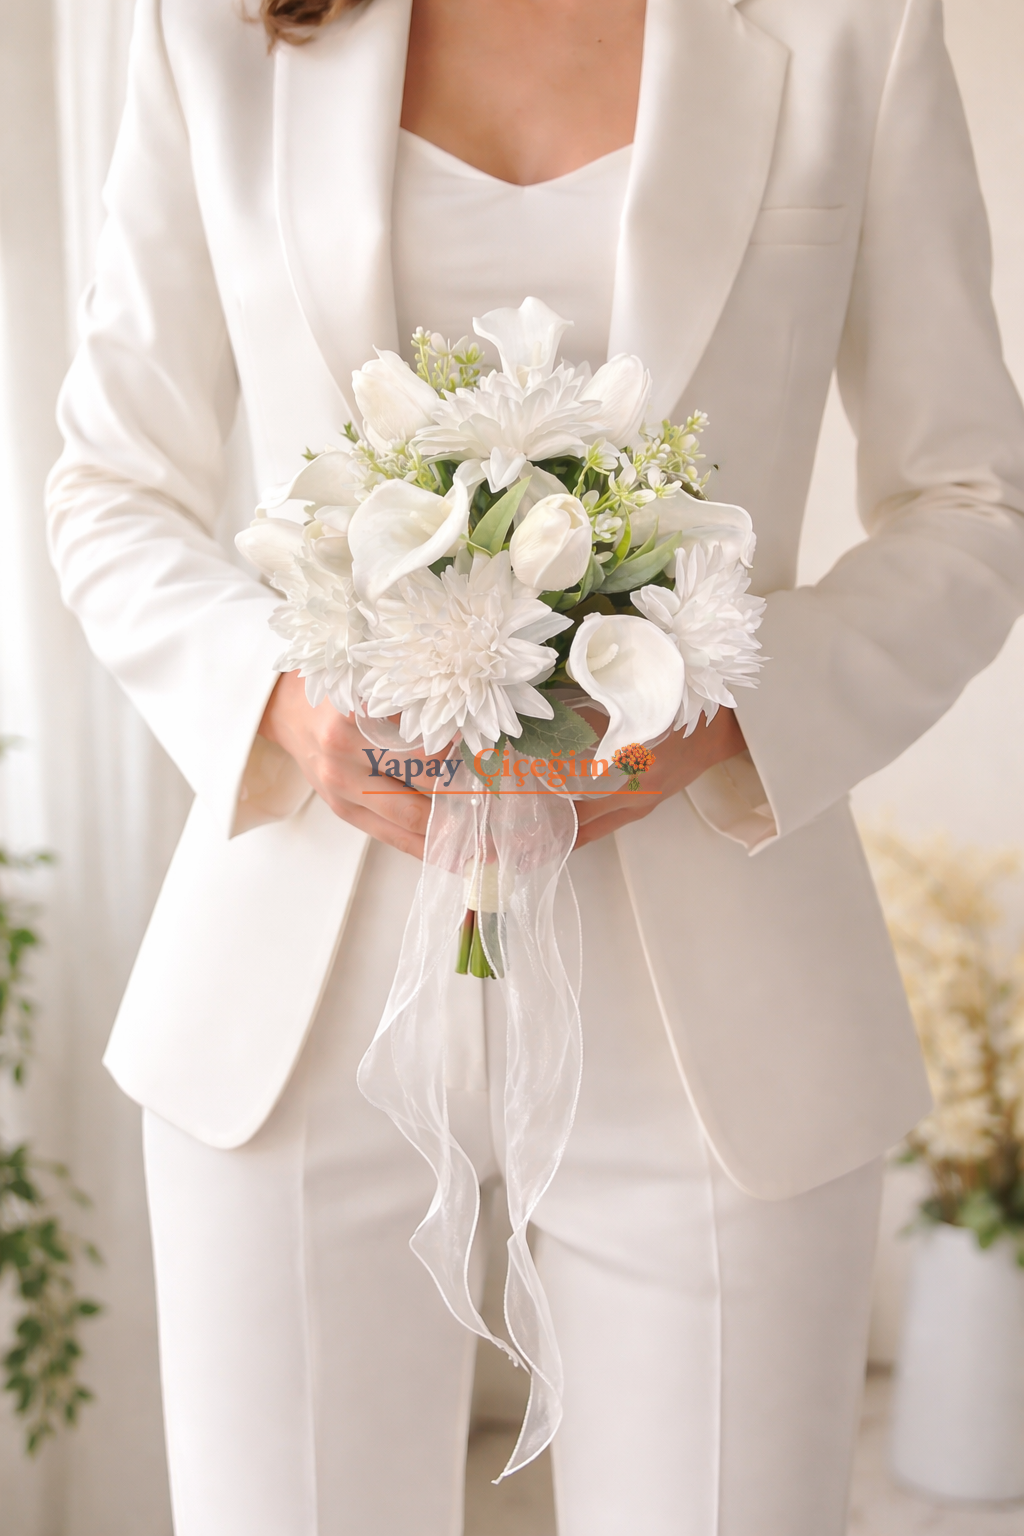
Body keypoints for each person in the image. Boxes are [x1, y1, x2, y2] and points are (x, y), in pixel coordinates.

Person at [45, 0, 1024, 1532]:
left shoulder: (856, 28)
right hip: (293, 991)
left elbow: (974, 497)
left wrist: (728, 716)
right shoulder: (215, 31)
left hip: (723, 998)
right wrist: (289, 706)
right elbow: (111, 484)